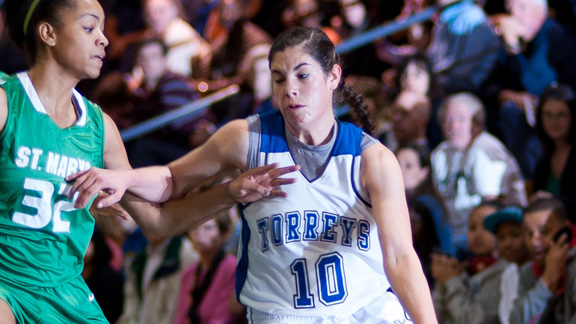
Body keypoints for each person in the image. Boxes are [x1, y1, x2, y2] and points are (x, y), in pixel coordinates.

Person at [68, 26, 438, 323]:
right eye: (278, 79)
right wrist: (125, 179)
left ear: (333, 77)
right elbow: (171, 180)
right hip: (283, 313)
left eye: (302, 75)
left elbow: (402, 258)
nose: (290, 89)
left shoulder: (373, 160)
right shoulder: (247, 139)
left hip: (364, 312)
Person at [0, 1, 294, 323]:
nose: (104, 39)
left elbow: (157, 223)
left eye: (102, 28)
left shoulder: (100, 128)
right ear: (48, 33)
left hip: (63, 291)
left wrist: (231, 193)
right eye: (89, 28)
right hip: (7, 285)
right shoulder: (7, 101)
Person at [430, 92, 526, 253]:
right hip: (455, 235)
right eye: (448, 120)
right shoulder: (439, 154)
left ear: (477, 124)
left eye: (461, 119)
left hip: (491, 235)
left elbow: (491, 205)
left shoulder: (485, 147)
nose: (453, 126)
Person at [431, 202, 509, 324]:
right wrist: (442, 281)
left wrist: (451, 281)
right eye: (472, 227)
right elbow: (434, 316)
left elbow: (474, 320)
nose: (478, 233)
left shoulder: (505, 271)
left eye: (486, 227)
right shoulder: (463, 268)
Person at [508, 198, 575, 324]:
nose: (534, 242)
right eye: (529, 234)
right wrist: (548, 280)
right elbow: (518, 321)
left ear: (566, 230)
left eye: (544, 232)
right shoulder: (528, 271)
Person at [173, 211, 246, 324]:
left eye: (208, 228)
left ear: (223, 233)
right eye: (194, 228)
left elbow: (222, 318)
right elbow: (181, 317)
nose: (199, 233)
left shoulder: (231, 268)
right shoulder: (189, 273)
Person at [532, 84, 576, 219]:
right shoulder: (543, 160)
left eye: (561, 115)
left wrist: (553, 201)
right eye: (548, 115)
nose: (554, 121)